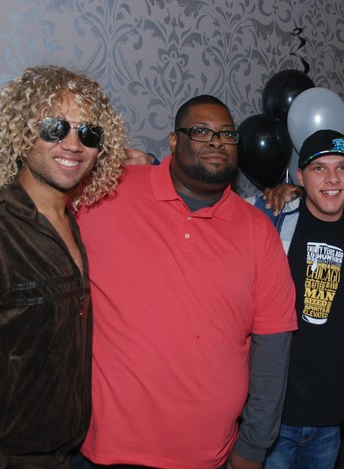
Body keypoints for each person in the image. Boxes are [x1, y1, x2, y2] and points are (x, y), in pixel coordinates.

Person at [75, 95, 298, 469]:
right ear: (174, 141)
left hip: (208, 454)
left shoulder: (259, 231)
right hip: (105, 449)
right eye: (201, 131)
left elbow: (273, 347)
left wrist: (254, 445)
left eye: (227, 134)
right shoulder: (107, 191)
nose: (217, 142)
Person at [0, 64, 126, 468]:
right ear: (21, 133)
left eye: (89, 133)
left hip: (65, 455)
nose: (73, 145)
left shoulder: (74, 224)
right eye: (54, 128)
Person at [251, 129, 344, 468]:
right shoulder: (271, 219)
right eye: (319, 168)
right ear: (300, 176)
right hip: (271, 414)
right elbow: (207, 198)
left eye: (342, 167)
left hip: (331, 418)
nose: (332, 178)